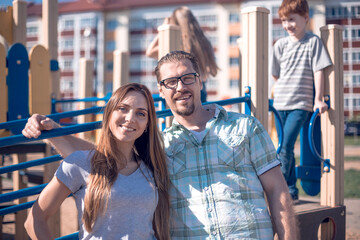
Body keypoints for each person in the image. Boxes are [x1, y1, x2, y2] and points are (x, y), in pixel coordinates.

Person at [23, 51, 297, 239]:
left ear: (199, 81)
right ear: (162, 91)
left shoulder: (244, 126)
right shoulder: (159, 145)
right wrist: (53, 131)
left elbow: (278, 192)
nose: (180, 87)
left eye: (187, 77)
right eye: (170, 82)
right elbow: (104, 155)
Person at [24, 83, 170, 239]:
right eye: (123, 109)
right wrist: (49, 127)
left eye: (141, 113)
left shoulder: (152, 167)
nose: (130, 118)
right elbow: (34, 220)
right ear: (109, 114)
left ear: (147, 124)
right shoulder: (79, 163)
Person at [272, 0, 332, 201]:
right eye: (283, 20)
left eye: (291, 19)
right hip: (280, 102)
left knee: (286, 146)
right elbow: (275, 75)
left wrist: (318, 99)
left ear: (305, 17)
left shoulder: (313, 42)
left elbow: (319, 71)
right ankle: (291, 189)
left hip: (300, 103)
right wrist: (275, 92)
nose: (287, 24)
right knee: (283, 146)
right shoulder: (280, 45)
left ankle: (281, 192)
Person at [145, 6, 219, 103]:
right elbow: (213, 72)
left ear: (174, 24)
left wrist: (163, 29)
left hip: (178, 89)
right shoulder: (205, 42)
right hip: (200, 89)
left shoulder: (175, 44)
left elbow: (149, 52)